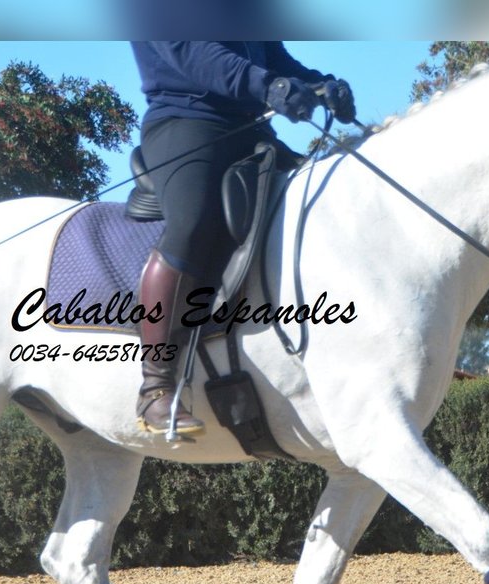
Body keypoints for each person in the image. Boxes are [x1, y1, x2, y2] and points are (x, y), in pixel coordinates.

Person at [130, 41, 356, 435]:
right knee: (194, 222)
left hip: (251, 129)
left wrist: (320, 85)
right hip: (186, 122)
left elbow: (273, 56)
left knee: (327, 198)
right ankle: (155, 385)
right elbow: (190, 52)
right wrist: (268, 86)